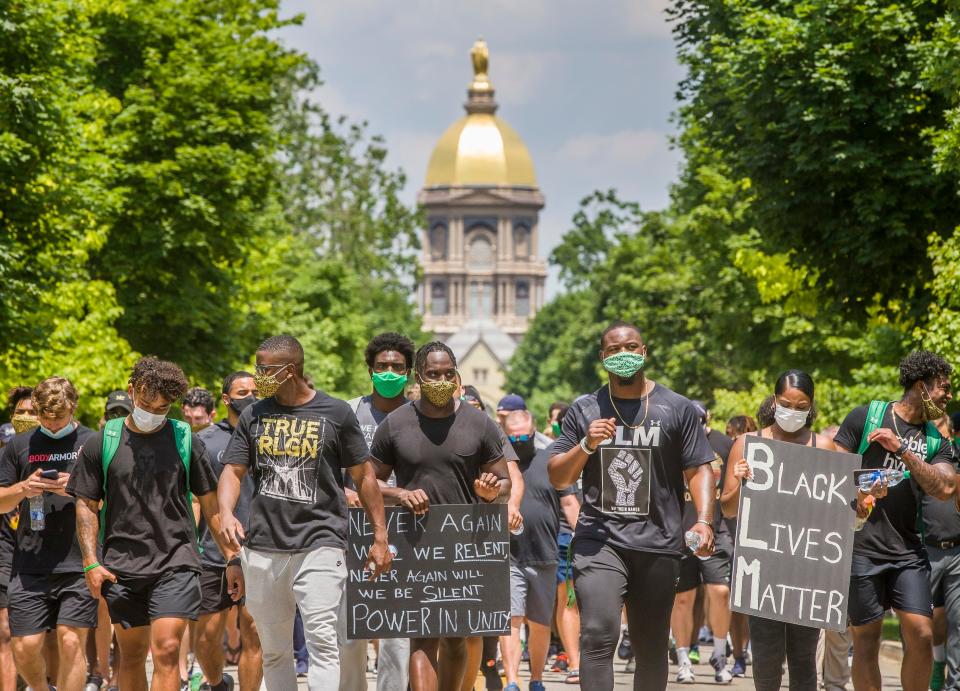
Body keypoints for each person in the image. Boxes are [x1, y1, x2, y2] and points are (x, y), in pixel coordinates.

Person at [548, 321, 717, 691]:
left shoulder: (677, 408)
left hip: (658, 543)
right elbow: (558, 476)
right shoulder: (584, 409)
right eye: (613, 350)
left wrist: (704, 520)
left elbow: (699, 469)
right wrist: (586, 446)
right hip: (600, 540)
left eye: (631, 347)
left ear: (644, 352)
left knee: (652, 645)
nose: (622, 355)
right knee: (598, 634)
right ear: (602, 357)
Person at [217, 334, 391, 690]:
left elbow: (365, 477)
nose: (258, 377)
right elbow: (232, 472)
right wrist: (226, 512)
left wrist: (380, 535)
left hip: (321, 543)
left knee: (323, 642)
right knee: (275, 651)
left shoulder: (336, 412)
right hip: (263, 547)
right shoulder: (254, 414)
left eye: (265, 369)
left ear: (290, 370)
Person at [68, 357, 230, 691]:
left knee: (167, 650)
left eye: (163, 407)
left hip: (177, 561)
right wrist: (90, 562)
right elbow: (86, 504)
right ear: (132, 391)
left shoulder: (185, 439)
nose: (153, 412)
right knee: (130, 655)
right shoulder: (103, 442)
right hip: (122, 566)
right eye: (146, 403)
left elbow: (211, 503)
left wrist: (233, 557)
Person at [370, 341, 512, 691]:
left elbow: (505, 482)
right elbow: (366, 483)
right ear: (419, 377)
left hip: (465, 545)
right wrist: (399, 493)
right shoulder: (396, 424)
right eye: (433, 374)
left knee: (455, 638)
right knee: (422, 637)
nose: (442, 379)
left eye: (448, 373)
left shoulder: (480, 423)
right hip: (415, 543)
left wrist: (493, 491)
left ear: (457, 376)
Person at [832, 351, 956, 691]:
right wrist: (855, 499)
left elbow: (945, 487)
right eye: (944, 388)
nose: (949, 395)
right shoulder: (866, 417)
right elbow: (833, 473)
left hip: (908, 552)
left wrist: (901, 449)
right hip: (861, 549)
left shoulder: (935, 439)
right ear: (922, 386)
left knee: (921, 633)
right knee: (867, 638)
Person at [720, 370, 839, 691]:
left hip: (807, 570)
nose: (792, 412)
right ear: (774, 402)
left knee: (803, 659)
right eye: (786, 404)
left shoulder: (824, 447)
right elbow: (727, 508)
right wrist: (740, 482)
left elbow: (841, 510)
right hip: (762, 568)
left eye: (801, 407)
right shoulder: (748, 444)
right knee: (767, 657)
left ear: (811, 407)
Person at [0, 377, 96, 691]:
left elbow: (116, 500)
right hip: (30, 564)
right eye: (46, 418)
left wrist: (76, 488)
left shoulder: (92, 442)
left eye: (60, 418)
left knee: (71, 642)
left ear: (74, 408)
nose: (53, 425)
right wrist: (24, 489)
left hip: (78, 562)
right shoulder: (19, 445)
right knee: (25, 647)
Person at [339, 332, 416, 691]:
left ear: (409, 372)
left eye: (397, 367)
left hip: (407, 532)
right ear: (370, 370)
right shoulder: (347, 412)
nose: (389, 372)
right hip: (350, 533)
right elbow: (326, 472)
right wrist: (343, 492)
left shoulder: (420, 415)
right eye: (382, 366)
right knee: (349, 631)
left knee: (398, 637)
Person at [192, 372, 262, 691]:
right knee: (206, 636)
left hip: (261, 548)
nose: (250, 396)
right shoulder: (205, 441)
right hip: (212, 551)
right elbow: (193, 498)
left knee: (253, 632)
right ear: (226, 399)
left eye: (256, 391)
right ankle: (219, 683)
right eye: (243, 391)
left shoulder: (268, 436)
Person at [499, 410, 573, 691]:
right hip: (509, 555)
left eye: (524, 436)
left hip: (545, 554)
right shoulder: (498, 465)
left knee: (540, 622)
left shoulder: (549, 462)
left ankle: (536, 679)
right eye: (512, 437)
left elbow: (569, 503)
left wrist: (581, 535)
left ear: (534, 432)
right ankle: (513, 681)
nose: (519, 441)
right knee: (512, 619)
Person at [672, 400, 735, 685]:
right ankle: (684, 659)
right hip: (680, 530)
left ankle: (720, 654)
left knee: (720, 592)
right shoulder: (673, 443)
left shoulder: (723, 444)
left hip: (717, 528)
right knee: (683, 598)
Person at [0, 387, 33, 691]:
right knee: (6, 631)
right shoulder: (4, 457)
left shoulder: (53, 454)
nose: (25, 418)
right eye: (19, 412)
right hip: (5, 551)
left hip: (43, 553)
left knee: (41, 638)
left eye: (31, 412)